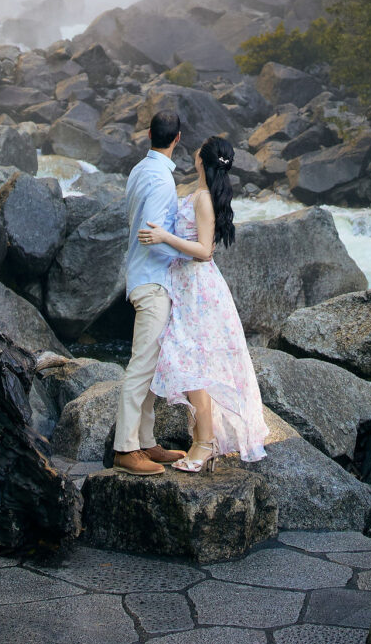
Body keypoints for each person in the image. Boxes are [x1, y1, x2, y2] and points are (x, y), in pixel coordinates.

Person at [140, 134, 268, 472]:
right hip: (184, 286)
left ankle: (204, 443)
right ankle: (201, 436)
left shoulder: (204, 199)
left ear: (201, 159)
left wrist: (165, 237)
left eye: (199, 149)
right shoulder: (199, 194)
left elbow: (205, 251)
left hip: (198, 290)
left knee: (191, 363)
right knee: (191, 361)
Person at [112, 109, 189, 475]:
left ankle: (146, 442)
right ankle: (125, 449)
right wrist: (189, 252)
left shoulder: (140, 170)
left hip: (141, 276)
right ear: (178, 138)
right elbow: (153, 237)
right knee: (142, 367)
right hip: (153, 280)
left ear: (149, 134)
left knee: (153, 365)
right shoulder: (161, 180)